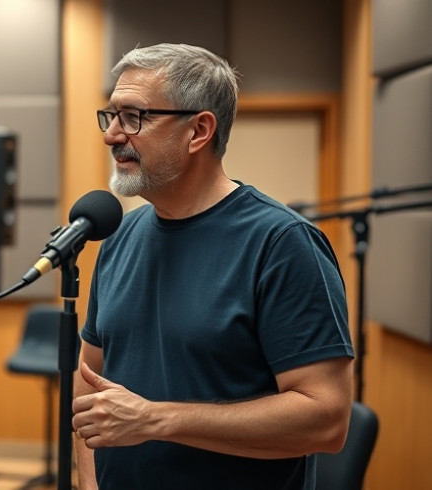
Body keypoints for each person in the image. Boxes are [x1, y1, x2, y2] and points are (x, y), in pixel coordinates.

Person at [71, 43, 354, 489]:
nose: (112, 135)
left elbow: (326, 420)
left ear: (198, 131)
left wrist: (155, 419)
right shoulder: (119, 236)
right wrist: (89, 483)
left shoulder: (282, 244)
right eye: (110, 117)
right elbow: (91, 380)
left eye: (134, 117)